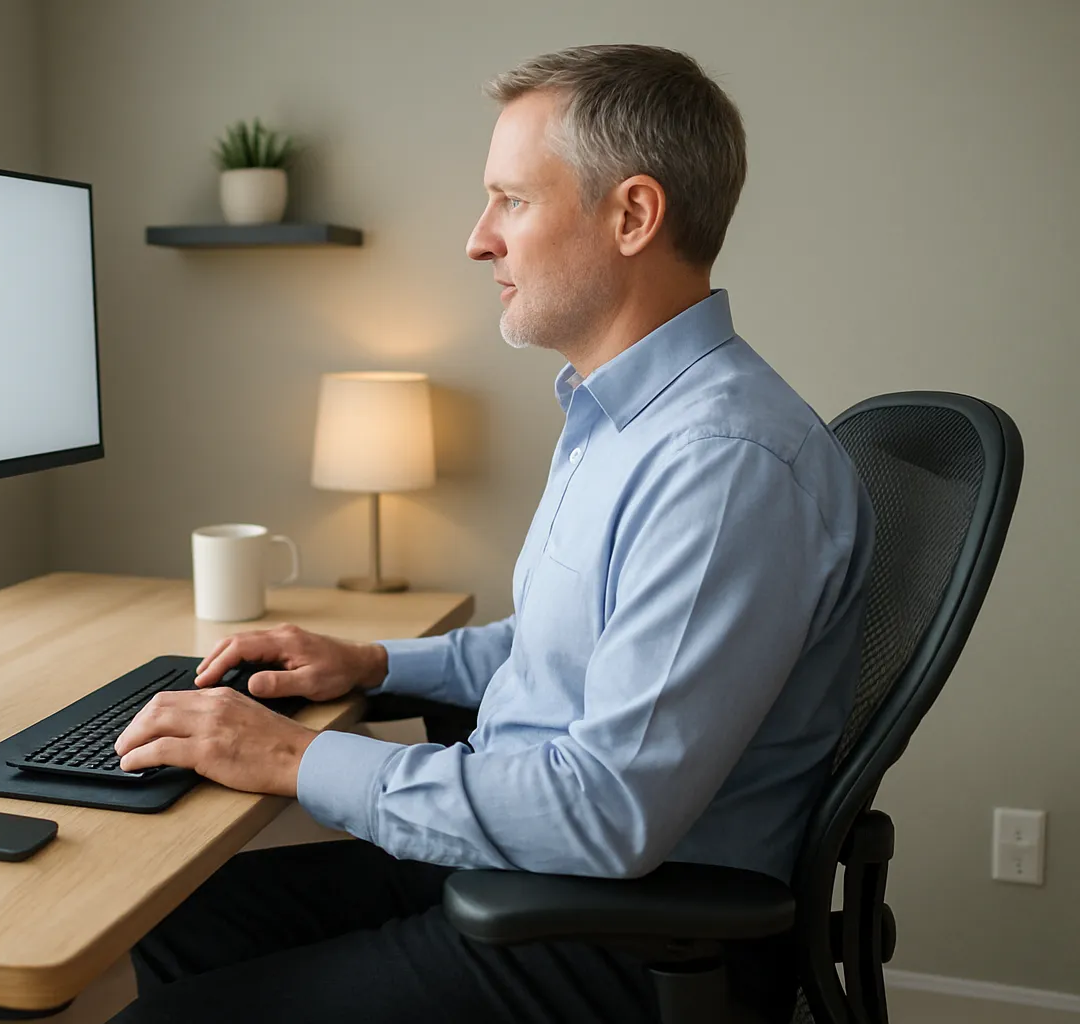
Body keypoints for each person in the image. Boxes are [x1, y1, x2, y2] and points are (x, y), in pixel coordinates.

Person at [108, 43, 874, 1024]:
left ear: (632, 215)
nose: (479, 240)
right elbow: (556, 650)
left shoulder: (723, 465)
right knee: (182, 914)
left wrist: (294, 760)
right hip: (536, 867)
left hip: (622, 931)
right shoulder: (623, 418)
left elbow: (608, 814)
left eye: (510, 200)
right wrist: (369, 660)